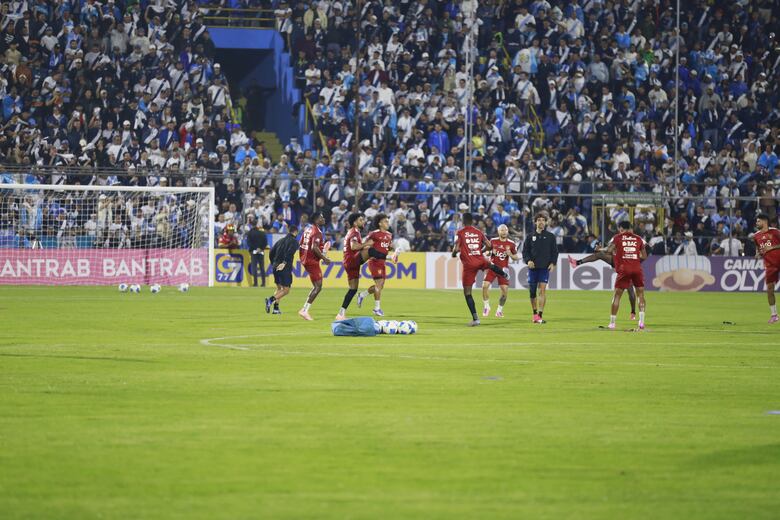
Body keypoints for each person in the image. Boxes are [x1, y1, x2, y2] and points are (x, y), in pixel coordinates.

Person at [452, 212, 509, 326]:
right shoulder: (479, 232)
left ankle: (476, 318)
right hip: (480, 259)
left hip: (469, 264)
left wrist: (453, 253)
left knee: (467, 293)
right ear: (472, 221)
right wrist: (480, 251)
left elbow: (457, 248)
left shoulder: (461, 232)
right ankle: (504, 274)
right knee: (490, 265)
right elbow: (489, 245)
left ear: (463, 222)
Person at [568, 244, 638, 320]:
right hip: (622, 262)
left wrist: (600, 249)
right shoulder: (623, 239)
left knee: (629, 291)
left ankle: (632, 312)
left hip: (625, 263)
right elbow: (610, 250)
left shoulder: (621, 239)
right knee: (599, 255)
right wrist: (600, 250)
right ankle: (633, 313)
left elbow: (609, 250)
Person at [604, 221, 647, 330]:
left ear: (621, 228)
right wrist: (634, 258)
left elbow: (608, 251)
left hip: (624, 269)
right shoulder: (638, 238)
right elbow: (644, 256)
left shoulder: (618, 237)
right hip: (637, 268)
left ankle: (612, 323)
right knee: (640, 294)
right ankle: (641, 322)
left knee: (617, 295)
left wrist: (615, 252)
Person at [357, 213, 399, 316]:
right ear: (380, 223)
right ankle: (376, 309)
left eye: (388, 221)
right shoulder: (374, 234)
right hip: (374, 261)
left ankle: (362, 295)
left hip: (383, 262)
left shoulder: (389, 235)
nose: (387, 223)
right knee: (379, 284)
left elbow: (387, 247)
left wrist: (393, 250)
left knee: (380, 286)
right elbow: (365, 245)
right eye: (385, 221)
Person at [336, 213, 373, 321]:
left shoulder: (351, 232)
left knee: (353, 289)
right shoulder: (355, 232)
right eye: (361, 220)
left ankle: (341, 313)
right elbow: (353, 246)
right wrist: (367, 244)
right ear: (355, 222)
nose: (363, 222)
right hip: (352, 259)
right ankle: (389, 257)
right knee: (370, 250)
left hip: (348, 261)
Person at [522, 214, 559, 324]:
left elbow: (555, 252)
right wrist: (528, 261)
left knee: (542, 290)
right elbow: (525, 251)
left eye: (543, 220)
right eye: (539, 220)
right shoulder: (529, 237)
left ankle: (540, 315)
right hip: (533, 268)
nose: (541, 222)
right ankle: (534, 314)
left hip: (544, 267)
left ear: (546, 223)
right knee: (532, 292)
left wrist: (553, 263)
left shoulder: (551, 236)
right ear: (535, 222)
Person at [298, 212, 332, 321]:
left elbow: (301, 243)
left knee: (315, 286)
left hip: (304, 258)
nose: (324, 219)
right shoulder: (317, 231)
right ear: (317, 220)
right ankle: (304, 310)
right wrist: (324, 258)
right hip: (311, 261)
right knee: (318, 287)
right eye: (321, 217)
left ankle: (304, 309)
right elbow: (314, 247)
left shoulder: (308, 229)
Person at [482, 224, 519, 318]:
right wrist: (490, 252)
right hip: (493, 267)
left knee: (504, 292)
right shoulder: (493, 241)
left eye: (505, 230)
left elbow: (516, 257)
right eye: (502, 230)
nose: (504, 232)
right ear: (498, 231)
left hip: (503, 270)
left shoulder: (511, 243)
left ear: (507, 231)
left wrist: (510, 254)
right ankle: (486, 306)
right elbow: (487, 252)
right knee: (485, 286)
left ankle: (499, 310)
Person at [752, 213, 780, 324]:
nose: (757, 223)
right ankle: (774, 315)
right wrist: (757, 254)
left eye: (758, 221)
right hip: (769, 265)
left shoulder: (775, 232)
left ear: (764, 221)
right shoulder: (756, 236)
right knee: (769, 290)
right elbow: (758, 248)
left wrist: (772, 247)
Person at [265, 225, 298, 314]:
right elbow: (290, 253)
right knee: (286, 290)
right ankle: (270, 300)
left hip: (275, 265)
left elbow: (271, 252)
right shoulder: (294, 242)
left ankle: (276, 309)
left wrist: (273, 263)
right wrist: (284, 263)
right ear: (295, 232)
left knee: (279, 288)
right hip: (284, 267)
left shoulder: (280, 240)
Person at [246, 221, 268, 287]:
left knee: (254, 268)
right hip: (261, 251)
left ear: (251, 225)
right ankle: (263, 283)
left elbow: (249, 243)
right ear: (256, 225)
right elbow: (265, 242)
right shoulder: (262, 233)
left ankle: (255, 283)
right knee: (262, 268)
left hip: (253, 251)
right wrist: (261, 248)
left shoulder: (250, 233)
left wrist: (255, 248)